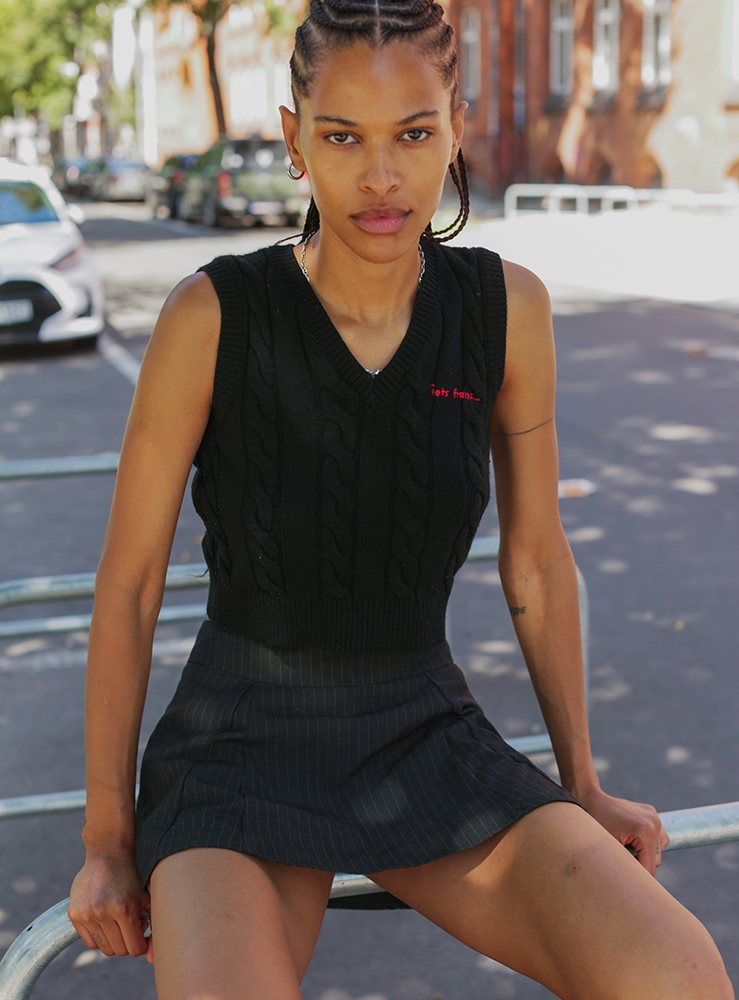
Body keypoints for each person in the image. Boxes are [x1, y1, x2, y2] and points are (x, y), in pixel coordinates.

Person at [68, 1, 734, 997]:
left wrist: (582, 784)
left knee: (678, 972)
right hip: (236, 747)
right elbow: (127, 586)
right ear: (294, 139)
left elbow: (537, 559)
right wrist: (106, 838)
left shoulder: (505, 309)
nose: (381, 178)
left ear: (456, 127)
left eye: (413, 135)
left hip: (424, 729)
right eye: (343, 137)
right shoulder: (212, 315)